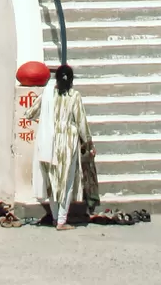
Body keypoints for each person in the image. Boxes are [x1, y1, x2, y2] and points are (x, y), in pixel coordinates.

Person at [34, 63, 97, 229]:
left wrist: (47, 122)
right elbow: (81, 122)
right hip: (68, 142)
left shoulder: (48, 94)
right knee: (66, 183)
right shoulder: (74, 96)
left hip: (49, 141)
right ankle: (62, 220)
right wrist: (89, 143)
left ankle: (55, 218)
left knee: (53, 181)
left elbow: (30, 113)